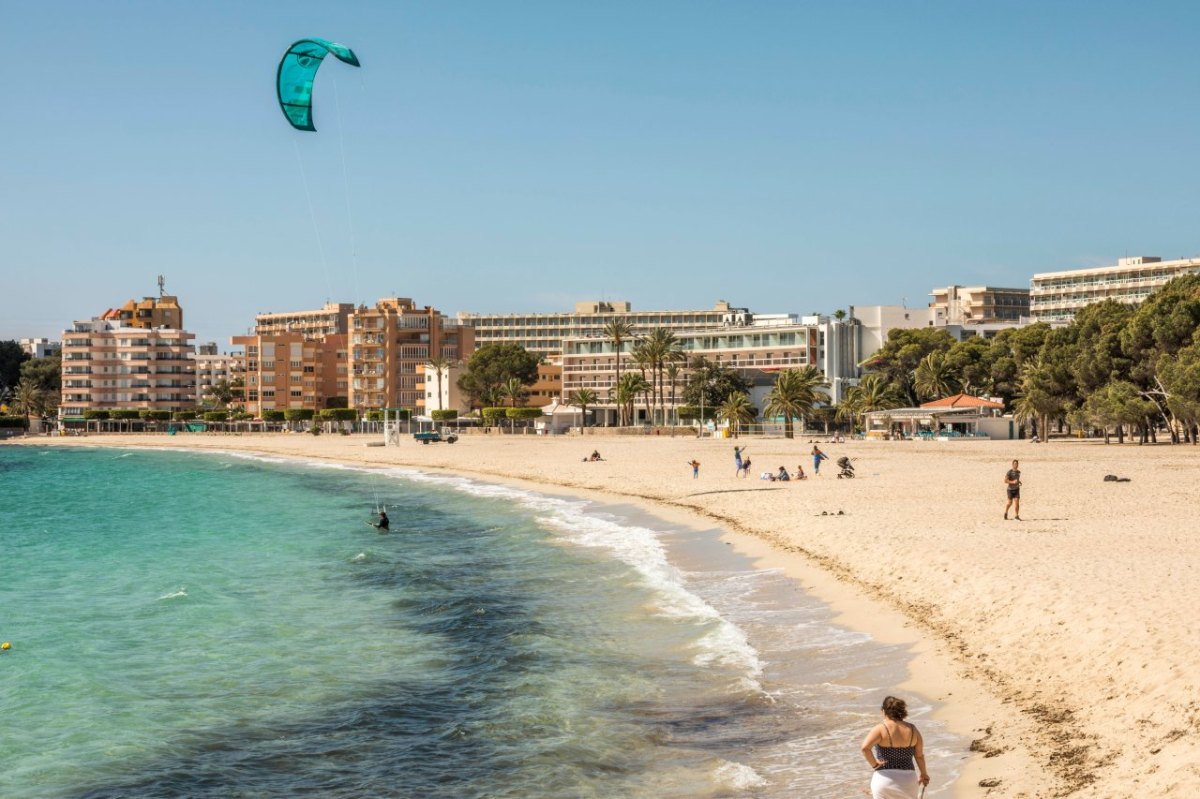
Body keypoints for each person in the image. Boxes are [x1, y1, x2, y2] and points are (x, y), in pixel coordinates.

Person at [860, 695, 929, 798]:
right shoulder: (913, 729)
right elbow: (919, 756)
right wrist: (923, 774)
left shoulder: (881, 728)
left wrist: (874, 764)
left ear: (883, 711)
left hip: (884, 779)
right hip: (908, 781)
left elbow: (865, 748)